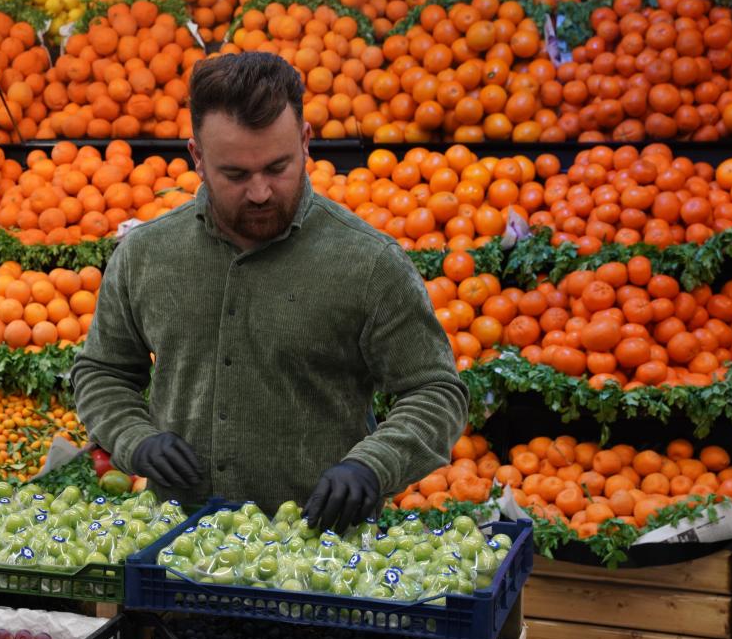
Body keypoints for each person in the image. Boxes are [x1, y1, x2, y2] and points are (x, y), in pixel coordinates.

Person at [71, 52, 469, 533]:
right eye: (235, 175)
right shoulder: (145, 255)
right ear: (197, 156)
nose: (259, 192)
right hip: (177, 549)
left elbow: (435, 390)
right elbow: (102, 371)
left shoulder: (369, 263)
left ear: (305, 143)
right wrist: (134, 438)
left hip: (320, 555)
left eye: (278, 167)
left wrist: (373, 464)